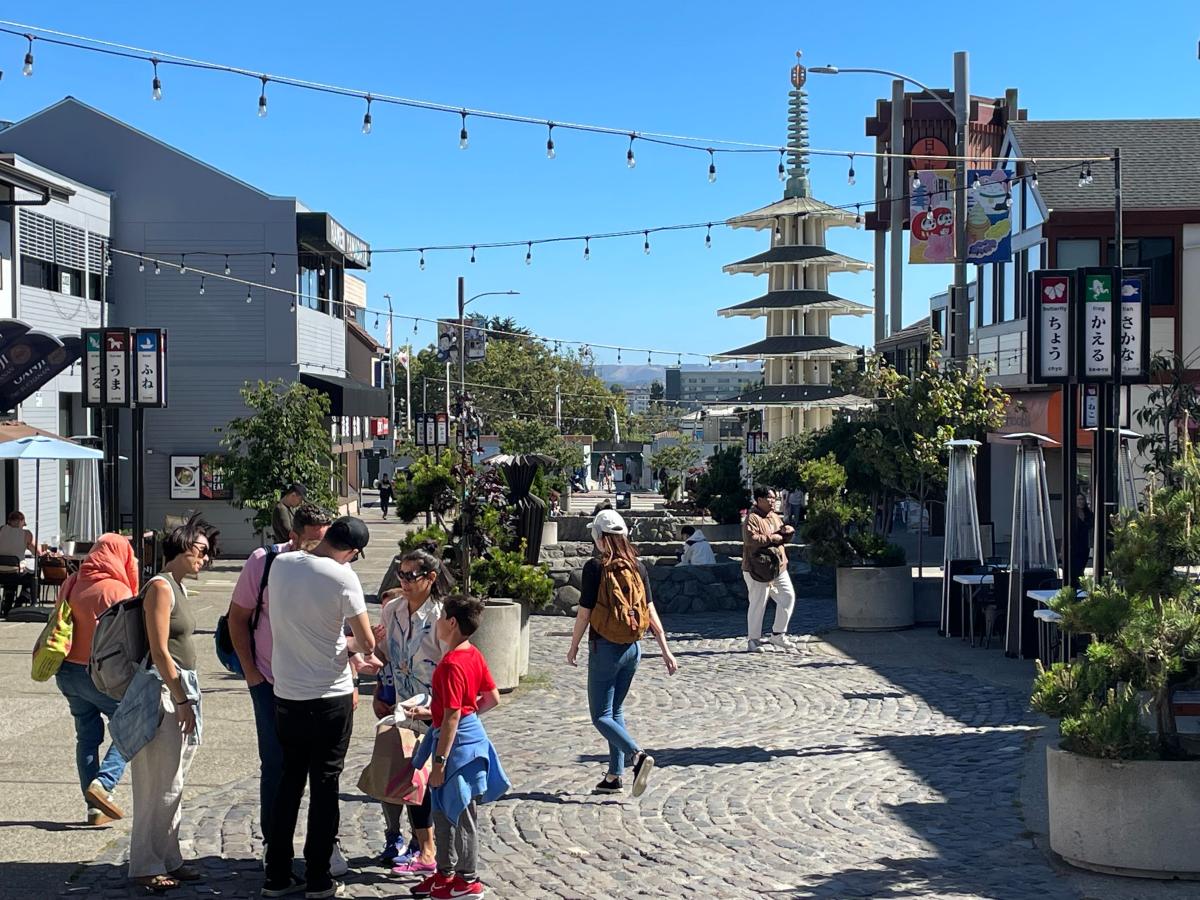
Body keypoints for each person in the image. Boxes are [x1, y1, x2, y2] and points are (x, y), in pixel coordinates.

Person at [262, 517, 375, 900]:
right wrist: (348, 645)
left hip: (288, 693)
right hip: (329, 694)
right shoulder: (343, 577)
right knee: (325, 785)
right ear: (352, 552)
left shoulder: (281, 564)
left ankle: (276, 874)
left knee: (289, 781)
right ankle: (318, 875)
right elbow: (367, 641)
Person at [225, 503, 332, 859]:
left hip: (316, 683)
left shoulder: (331, 565)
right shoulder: (264, 562)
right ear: (293, 537)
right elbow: (236, 619)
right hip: (270, 679)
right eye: (313, 542)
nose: (321, 550)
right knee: (275, 762)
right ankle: (276, 846)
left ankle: (321, 846)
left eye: (325, 541)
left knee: (320, 767)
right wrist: (252, 673)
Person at [129, 514, 219, 893]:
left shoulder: (177, 586)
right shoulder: (161, 588)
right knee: (157, 782)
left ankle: (170, 856)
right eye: (201, 551)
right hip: (166, 692)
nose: (206, 558)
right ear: (181, 549)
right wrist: (181, 697)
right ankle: (146, 863)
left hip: (184, 689)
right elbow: (160, 650)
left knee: (175, 780)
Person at [566, 510, 677, 798]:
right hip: (634, 649)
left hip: (605, 648)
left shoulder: (595, 567)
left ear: (600, 538)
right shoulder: (637, 567)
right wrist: (665, 648)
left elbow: (585, 612)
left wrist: (574, 644)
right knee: (615, 712)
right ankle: (614, 776)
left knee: (600, 716)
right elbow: (650, 610)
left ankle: (637, 756)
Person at [409, 595, 509, 900]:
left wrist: (438, 763)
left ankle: (468, 881)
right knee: (445, 813)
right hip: (468, 738)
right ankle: (445, 874)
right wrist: (436, 713)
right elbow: (491, 698)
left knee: (461, 813)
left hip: (458, 748)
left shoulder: (452, 663)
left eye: (441, 617)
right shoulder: (472, 654)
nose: (436, 622)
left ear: (451, 623)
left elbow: (454, 716)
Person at [54, 533, 138, 826]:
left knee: (87, 738)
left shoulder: (72, 582)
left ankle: (94, 810)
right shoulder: (118, 591)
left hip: (67, 672)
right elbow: (131, 638)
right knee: (129, 725)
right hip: (102, 676)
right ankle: (104, 783)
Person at [373, 549, 445, 875]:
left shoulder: (441, 616)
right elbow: (387, 656)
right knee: (394, 773)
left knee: (420, 781)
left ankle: (425, 848)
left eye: (411, 576)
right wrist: (380, 688)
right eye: (400, 574)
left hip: (430, 708)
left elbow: (449, 664)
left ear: (431, 578)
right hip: (401, 706)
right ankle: (399, 839)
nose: (403, 581)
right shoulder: (392, 610)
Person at [743, 486, 797, 653]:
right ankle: (753, 640)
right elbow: (750, 539)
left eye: (775, 498)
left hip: (778, 566)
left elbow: (781, 538)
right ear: (759, 500)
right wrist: (771, 538)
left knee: (788, 596)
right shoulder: (751, 519)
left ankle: (778, 634)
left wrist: (788, 533)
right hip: (757, 568)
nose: (773, 502)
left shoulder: (775, 517)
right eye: (770, 498)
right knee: (758, 603)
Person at [1070, 494, 1094, 585]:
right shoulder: (1072, 514)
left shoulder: (1089, 514)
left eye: (1082, 499)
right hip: (1074, 544)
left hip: (1085, 544)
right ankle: (1076, 584)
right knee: (1075, 567)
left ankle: (1080, 584)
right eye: (1079, 499)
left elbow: (1091, 526)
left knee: (1082, 566)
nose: (1081, 502)